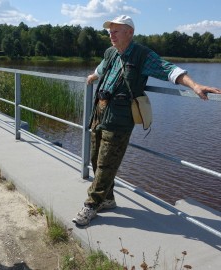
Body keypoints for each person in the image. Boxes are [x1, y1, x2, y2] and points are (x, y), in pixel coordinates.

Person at [72, 15, 221, 226]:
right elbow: (102, 67)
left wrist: (195, 85)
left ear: (129, 33)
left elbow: (170, 70)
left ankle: (91, 204)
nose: (111, 34)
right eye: (110, 31)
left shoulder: (142, 55)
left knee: (106, 164)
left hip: (121, 119)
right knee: (96, 159)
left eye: (116, 30)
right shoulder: (110, 52)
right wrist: (92, 76)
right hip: (100, 112)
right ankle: (107, 198)